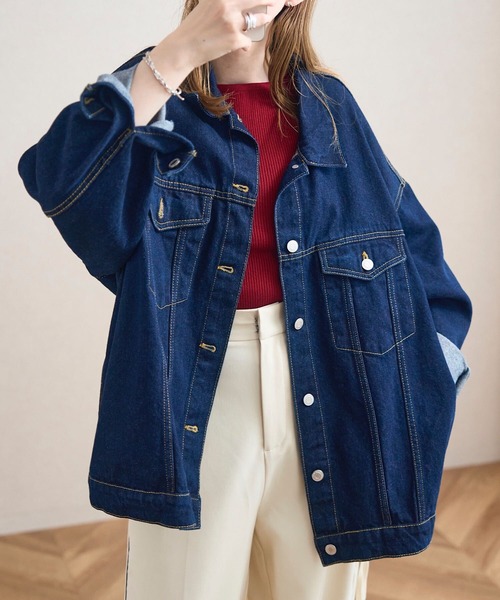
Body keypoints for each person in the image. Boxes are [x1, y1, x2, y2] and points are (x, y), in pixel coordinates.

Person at [17, 1, 473, 599]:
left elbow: (413, 252)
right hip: (193, 393)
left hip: (332, 391)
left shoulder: (331, 110)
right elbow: (56, 175)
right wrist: (178, 52)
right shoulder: (158, 104)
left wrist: (426, 380)